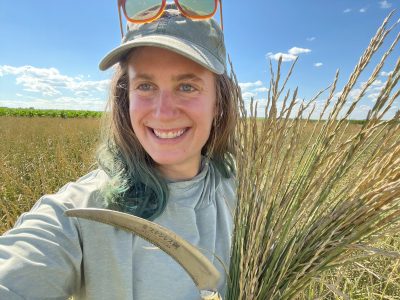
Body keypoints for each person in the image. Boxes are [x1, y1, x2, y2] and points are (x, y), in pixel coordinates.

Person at [0, 2, 238, 299]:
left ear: (219, 102)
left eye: (187, 86)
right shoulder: (82, 212)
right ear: (126, 97)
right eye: (145, 86)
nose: (163, 113)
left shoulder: (241, 193)